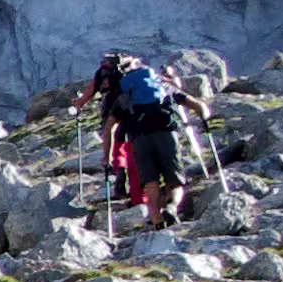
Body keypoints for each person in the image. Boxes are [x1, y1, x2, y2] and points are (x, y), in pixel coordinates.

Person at [33, 51, 203, 222]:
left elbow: (107, 127)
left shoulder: (117, 90)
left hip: (136, 133)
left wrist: (106, 158)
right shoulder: (160, 85)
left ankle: (157, 223)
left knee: (149, 182)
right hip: (165, 131)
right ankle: (171, 207)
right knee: (174, 180)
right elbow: (197, 105)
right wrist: (204, 117)